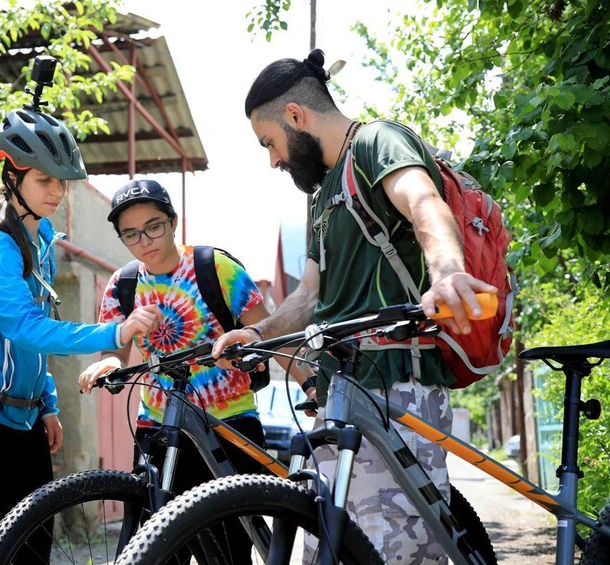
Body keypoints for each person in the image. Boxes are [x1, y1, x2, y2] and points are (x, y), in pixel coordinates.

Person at [211, 49, 498, 564]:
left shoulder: (376, 142)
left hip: (397, 385)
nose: (273, 159)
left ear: (295, 116)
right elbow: (308, 296)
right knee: (330, 544)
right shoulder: (323, 195)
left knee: (398, 549)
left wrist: (448, 272)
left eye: (269, 142)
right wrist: (262, 334)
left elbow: (422, 201)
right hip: (340, 394)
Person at [0, 107, 162, 565]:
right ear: (12, 176)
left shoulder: (42, 236)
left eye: (62, 181)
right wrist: (115, 330)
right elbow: (24, 329)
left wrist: (47, 403)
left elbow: (34, 329)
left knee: (34, 549)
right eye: (44, 180)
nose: (57, 192)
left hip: (23, 419)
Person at [78, 178, 315, 562]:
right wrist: (108, 362)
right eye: (131, 234)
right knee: (158, 547)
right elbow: (116, 351)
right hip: (159, 428)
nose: (145, 241)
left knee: (229, 549)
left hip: (230, 425)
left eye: (154, 226)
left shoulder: (213, 268)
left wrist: (311, 385)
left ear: (173, 221)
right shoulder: (122, 286)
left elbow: (268, 335)